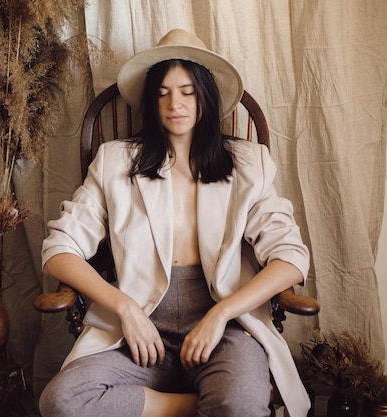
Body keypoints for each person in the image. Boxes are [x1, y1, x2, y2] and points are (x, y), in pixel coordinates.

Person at [39, 29, 311, 417]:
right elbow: (58, 250)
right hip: (139, 330)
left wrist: (221, 314)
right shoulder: (115, 161)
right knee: (60, 401)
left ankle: (223, 396)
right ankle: (195, 406)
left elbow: (291, 257)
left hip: (225, 327)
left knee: (241, 405)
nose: (174, 103)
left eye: (187, 91)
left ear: (206, 96)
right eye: (163, 92)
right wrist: (126, 309)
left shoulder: (250, 163)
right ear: (151, 100)